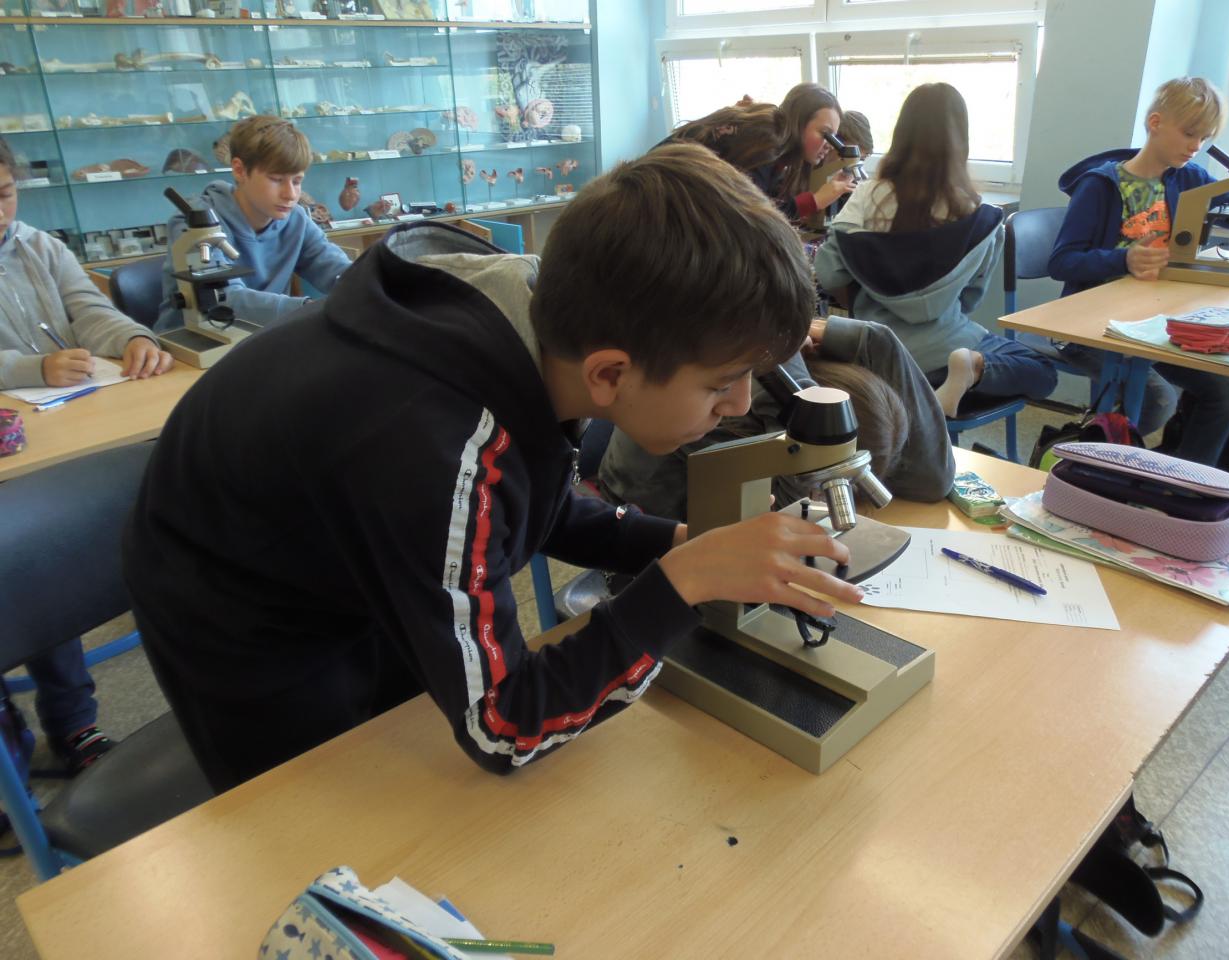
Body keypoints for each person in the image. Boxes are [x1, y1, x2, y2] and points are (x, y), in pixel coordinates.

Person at [122, 144, 865, 793]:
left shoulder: (545, 325)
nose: (740, 405)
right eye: (721, 383)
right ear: (610, 375)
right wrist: (683, 583)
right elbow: (505, 726)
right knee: (335, 818)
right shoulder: (435, 443)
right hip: (242, 606)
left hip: (350, 537)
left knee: (421, 749)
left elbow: (534, 499)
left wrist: (682, 545)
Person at [0, 135, 173, 773]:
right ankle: (24, 750)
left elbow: (90, 311)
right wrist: (33, 367)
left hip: (59, 432)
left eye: (5, 194)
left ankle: (74, 726)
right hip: (12, 452)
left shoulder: (40, 246)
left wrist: (131, 338)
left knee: (52, 565)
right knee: (25, 570)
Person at [1048, 76, 1229, 465]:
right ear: (1155, 123)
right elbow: (1062, 262)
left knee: (1227, 392)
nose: (1196, 146)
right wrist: (1123, 260)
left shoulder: (1190, 178)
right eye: (1189, 133)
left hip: (1156, 323)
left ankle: (1180, 479)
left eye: (1204, 137)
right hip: (1091, 328)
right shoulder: (1100, 186)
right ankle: (1099, 465)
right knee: (1157, 401)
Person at [815, 83, 1058, 417]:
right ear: (961, 141)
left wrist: (866, 299)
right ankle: (973, 369)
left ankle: (927, 389)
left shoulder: (865, 196)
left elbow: (829, 273)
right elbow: (971, 298)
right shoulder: (976, 212)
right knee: (1042, 370)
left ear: (900, 136)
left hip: (874, 353)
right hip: (945, 351)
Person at [598, 314, 956, 521]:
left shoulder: (775, 396)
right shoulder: (715, 418)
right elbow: (783, 515)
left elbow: (932, 481)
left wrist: (874, 340)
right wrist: (799, 395)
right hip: (646, 549)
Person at [157, 114, 350, 332]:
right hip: (192, 343)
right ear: (239, 170)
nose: (290, 194)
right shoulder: (194, 222)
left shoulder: (296, 219)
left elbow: (337, 270)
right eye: (276, 179)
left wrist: (368, 284)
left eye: (297, 181)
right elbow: (223, 298)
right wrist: (306, 310)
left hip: (265, 337)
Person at [667, 86, 856, 221]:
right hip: (665, 198)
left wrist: (817, 199)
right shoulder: (766, 140)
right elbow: (755, 215)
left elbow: (768, 204)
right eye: (825, 134)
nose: (831, 145)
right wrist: (817, 200)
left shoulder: (777, 152)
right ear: (799, 123)